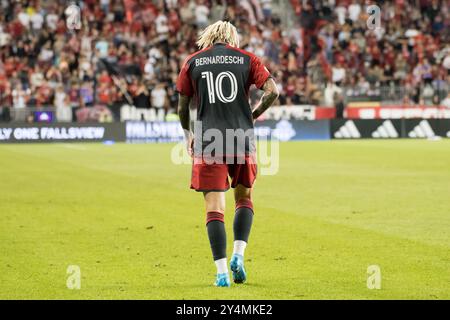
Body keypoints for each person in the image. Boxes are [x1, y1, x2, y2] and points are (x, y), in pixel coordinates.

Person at [176, 21, 279, 287]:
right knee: (244, 197)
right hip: (241, 137)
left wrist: (189, 135)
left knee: (214, 208)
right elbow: (272, 91)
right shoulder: (247, 59)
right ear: (232, 38)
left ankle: (221, 272)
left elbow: (182, 107)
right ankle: (239, 255)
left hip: (208, 140)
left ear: (208, 37)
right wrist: (253, 115)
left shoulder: (193, 62)